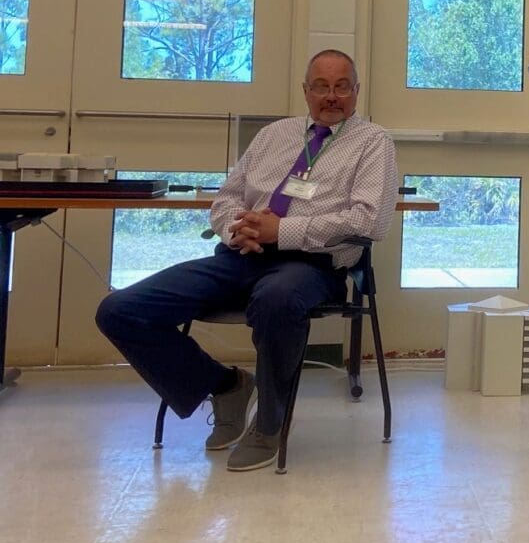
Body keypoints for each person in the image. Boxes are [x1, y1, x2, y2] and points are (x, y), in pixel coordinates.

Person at [96, 49, 399, 472]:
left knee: (277, 299)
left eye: (341, 86)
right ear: (306, 91)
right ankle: (227, 386)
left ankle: (270, 422)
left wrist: (282, 231)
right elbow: (227, 198)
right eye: (321, 86)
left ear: (357, 91)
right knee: (120, 311)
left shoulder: (373, 142)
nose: (331, 96)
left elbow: (370, 221)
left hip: (311, 264)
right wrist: (234, 228)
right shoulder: (274, 134)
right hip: (241, 255)